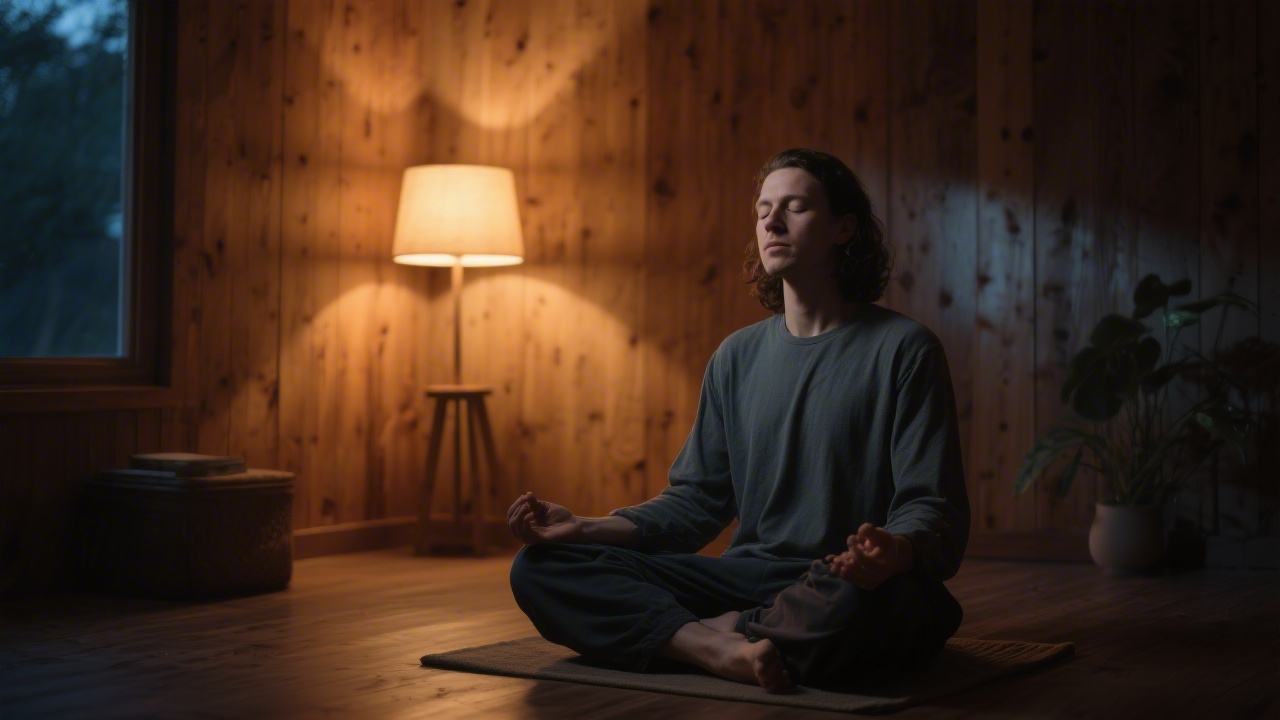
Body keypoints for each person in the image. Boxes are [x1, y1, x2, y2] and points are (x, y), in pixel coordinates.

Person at [506, 148, 969, 693]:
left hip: (840, 581)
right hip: (744, 577)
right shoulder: (736, 356)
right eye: (763, 209)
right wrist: (582, 528)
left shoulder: (904, 349)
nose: (771, 222)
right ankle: (717, 647)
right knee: (540, 569)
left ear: (844, 228)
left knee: (895, 606)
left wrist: (894, 551)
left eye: (794, 207)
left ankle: (709, 635)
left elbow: (930, 503)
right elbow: (697, 501)